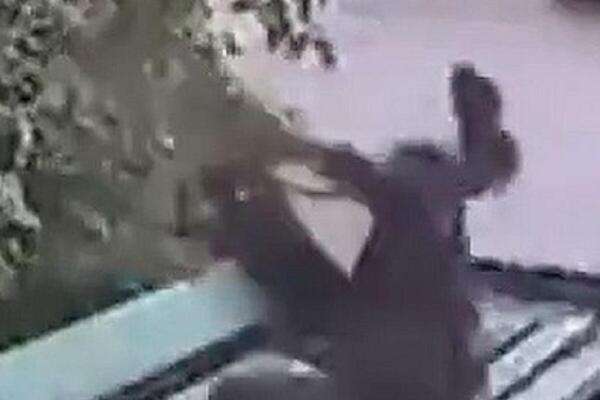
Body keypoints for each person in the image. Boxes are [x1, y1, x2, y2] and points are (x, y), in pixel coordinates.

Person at [205, 62, 520, 400]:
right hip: (446, 379)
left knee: (233, 392)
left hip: (382, 386)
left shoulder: (350, 217)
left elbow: (290, 285)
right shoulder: (424, 217)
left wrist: (233, 221)